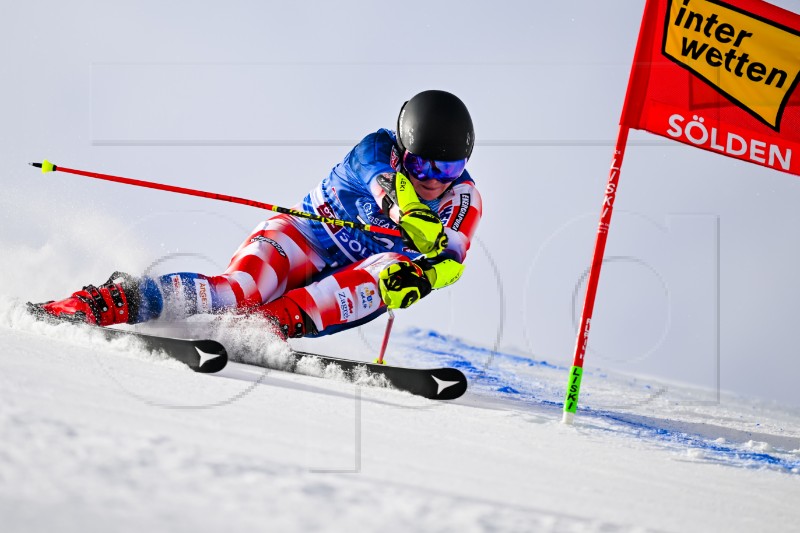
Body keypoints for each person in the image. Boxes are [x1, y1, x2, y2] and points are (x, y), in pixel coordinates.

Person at [29, 90, 483, 340]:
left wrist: (425, 279)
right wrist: (409, 212)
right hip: (303, 237)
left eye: (449, 167)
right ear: (404, 150)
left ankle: (269, 328)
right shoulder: (376, 149)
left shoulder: (464, 200)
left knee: (393, 270)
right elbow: (385, 185)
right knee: (239, 291)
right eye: (422, 162)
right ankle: (105, 302)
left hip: (353, 276)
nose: (434, 178)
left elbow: (452, 262)